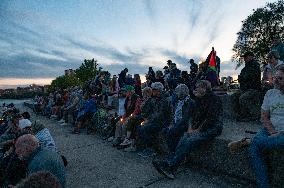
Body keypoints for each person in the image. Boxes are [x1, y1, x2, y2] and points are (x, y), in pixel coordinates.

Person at [152, 80, 223, 179]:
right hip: (198, 127)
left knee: (190, 140)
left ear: (204, 88)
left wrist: (197, 130)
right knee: (184, 138)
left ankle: (171, 168)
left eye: (198, 87)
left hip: (213, 127)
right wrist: (190, 128)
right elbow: (192, 117)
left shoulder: (214, 99)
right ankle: (171, 162)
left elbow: (210, 119)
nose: (195, 89)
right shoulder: (199, 99)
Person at [249, 66, 284, 188]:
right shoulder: (270, 93)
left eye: (280, 78)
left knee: (256, 143)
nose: (276, 81)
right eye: (275, 78)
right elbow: (264, 117)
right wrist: (273, 132)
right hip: (271, 129)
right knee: (254, 148)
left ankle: (250, 141)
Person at [138, 82, 172, 157]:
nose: (152, 91)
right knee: (140, 126)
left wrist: (149, 120)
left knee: (145, 128)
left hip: (163, 122)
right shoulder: (155, 99)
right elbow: (146, 110)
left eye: (154, 90)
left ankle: (151, 149)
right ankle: (143, 146)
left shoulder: (164, 100)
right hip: (156, 120)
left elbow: (160, 114)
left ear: (158, 90)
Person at [164, 84, 194, 155]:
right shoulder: (179, 101)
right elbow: (174, 115)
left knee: (171, 132)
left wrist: (174, 125)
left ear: (182, 92)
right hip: (177, 123)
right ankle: (171, 151)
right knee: (165, 130)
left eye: (177, 92)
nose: (176, 94)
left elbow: (185, 118)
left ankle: (173, 152)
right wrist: (172, 124)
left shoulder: (190, 102)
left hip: (185, 124)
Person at [232, 51, 262, 121]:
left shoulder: (255, 65)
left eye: (246, 57)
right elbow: (241, 78)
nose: (244, 59)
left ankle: (254, 114)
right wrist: (241, 78)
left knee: (243, 98)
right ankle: (242, 114)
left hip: (253, 89)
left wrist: (242, 78)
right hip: (245, 89)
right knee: (234, 96)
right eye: (244, 57)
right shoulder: (245, 68)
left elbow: (250, 77)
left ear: (251, 57)